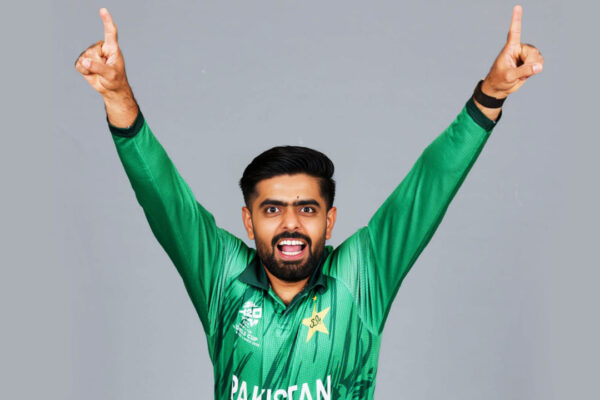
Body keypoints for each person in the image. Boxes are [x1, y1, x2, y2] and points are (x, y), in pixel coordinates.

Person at [75, 5, 543, 399]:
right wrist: (118, 96)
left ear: (330, 220)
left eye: (307, 208)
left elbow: (427, 188)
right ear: (248, 221)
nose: (290, 224)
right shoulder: (221, 277)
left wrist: (491, 95)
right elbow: (164, 199)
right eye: (272, 209)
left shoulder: (361, 277)